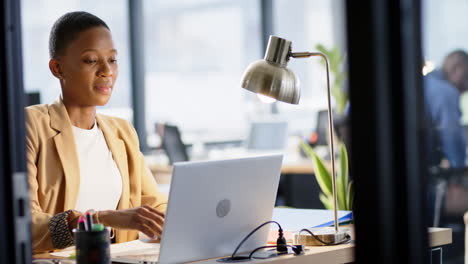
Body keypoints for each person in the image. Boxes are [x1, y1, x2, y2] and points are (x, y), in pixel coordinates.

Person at [25, 11, 168, 253]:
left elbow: (155, 207)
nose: (107, 71)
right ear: (58, 68)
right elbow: (24, 225)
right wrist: (103, 219)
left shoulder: (121, 132)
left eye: (112, 60)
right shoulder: (30, 125)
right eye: (91, 60)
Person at [424, 50, 468, 169]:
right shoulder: (446, 92)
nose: (465, 88)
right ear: (456, 68)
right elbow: (452, 138)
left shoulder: (427, 81)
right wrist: (459, 174)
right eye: (466, 78)